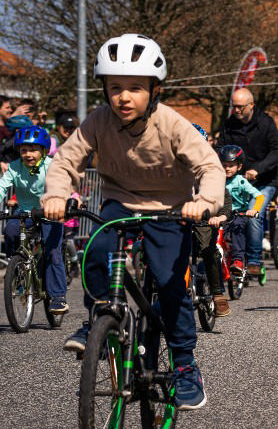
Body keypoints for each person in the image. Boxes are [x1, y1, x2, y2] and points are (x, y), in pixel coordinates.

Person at [42, 34, 224, 410]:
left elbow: (209, 166)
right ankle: (98, 317)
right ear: (105, 90)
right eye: (115, 88)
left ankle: (185, 365)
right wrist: (57, 195)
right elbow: (65, 162)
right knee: (96, 250)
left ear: (155, 90)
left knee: (171, 285)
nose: (124, 97)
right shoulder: (98, 121)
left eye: (136, 88)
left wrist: (203, 201)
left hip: (171, 208)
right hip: (120, 203)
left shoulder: (172, 124)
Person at [0, 125, 69, 314]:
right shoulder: (14, 167)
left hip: (50, 212)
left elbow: (64, 184)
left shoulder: (52, 165)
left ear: (43, 150)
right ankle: (18, 270)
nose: (28, 154)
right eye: (23, 150)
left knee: (53, 251)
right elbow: (2, 187)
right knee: (10, 231)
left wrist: (67, 201)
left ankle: (58, 297)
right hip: (25, 212)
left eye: (33, 149)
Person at [217, 87, 278, 276]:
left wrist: (258, 169)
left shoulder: (266, 122)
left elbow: (277, 151)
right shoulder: (229, 124)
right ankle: (231, 255)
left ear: (251, 105)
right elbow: (220, 148)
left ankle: (254, 260)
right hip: (236, 180)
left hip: (265, 180)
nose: (236, 110)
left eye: (240, 107)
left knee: (254, 215)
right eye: (234, 106)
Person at [190, 125, 232, 317]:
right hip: (179, 219)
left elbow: (223, 196)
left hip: (205, 220)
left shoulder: (211, 167)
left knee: (209, 251)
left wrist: (220, 216)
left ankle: (217, 294)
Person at [218, 145, 264, 275]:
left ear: (239, 167)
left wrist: (254, 210)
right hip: (221, 215)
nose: (227, 168)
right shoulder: (217, 180)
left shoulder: (241, 181)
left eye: (231, 165)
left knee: (238, 229)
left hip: (239, 213)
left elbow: (259, 196)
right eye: (224, 165)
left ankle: (238, 260)